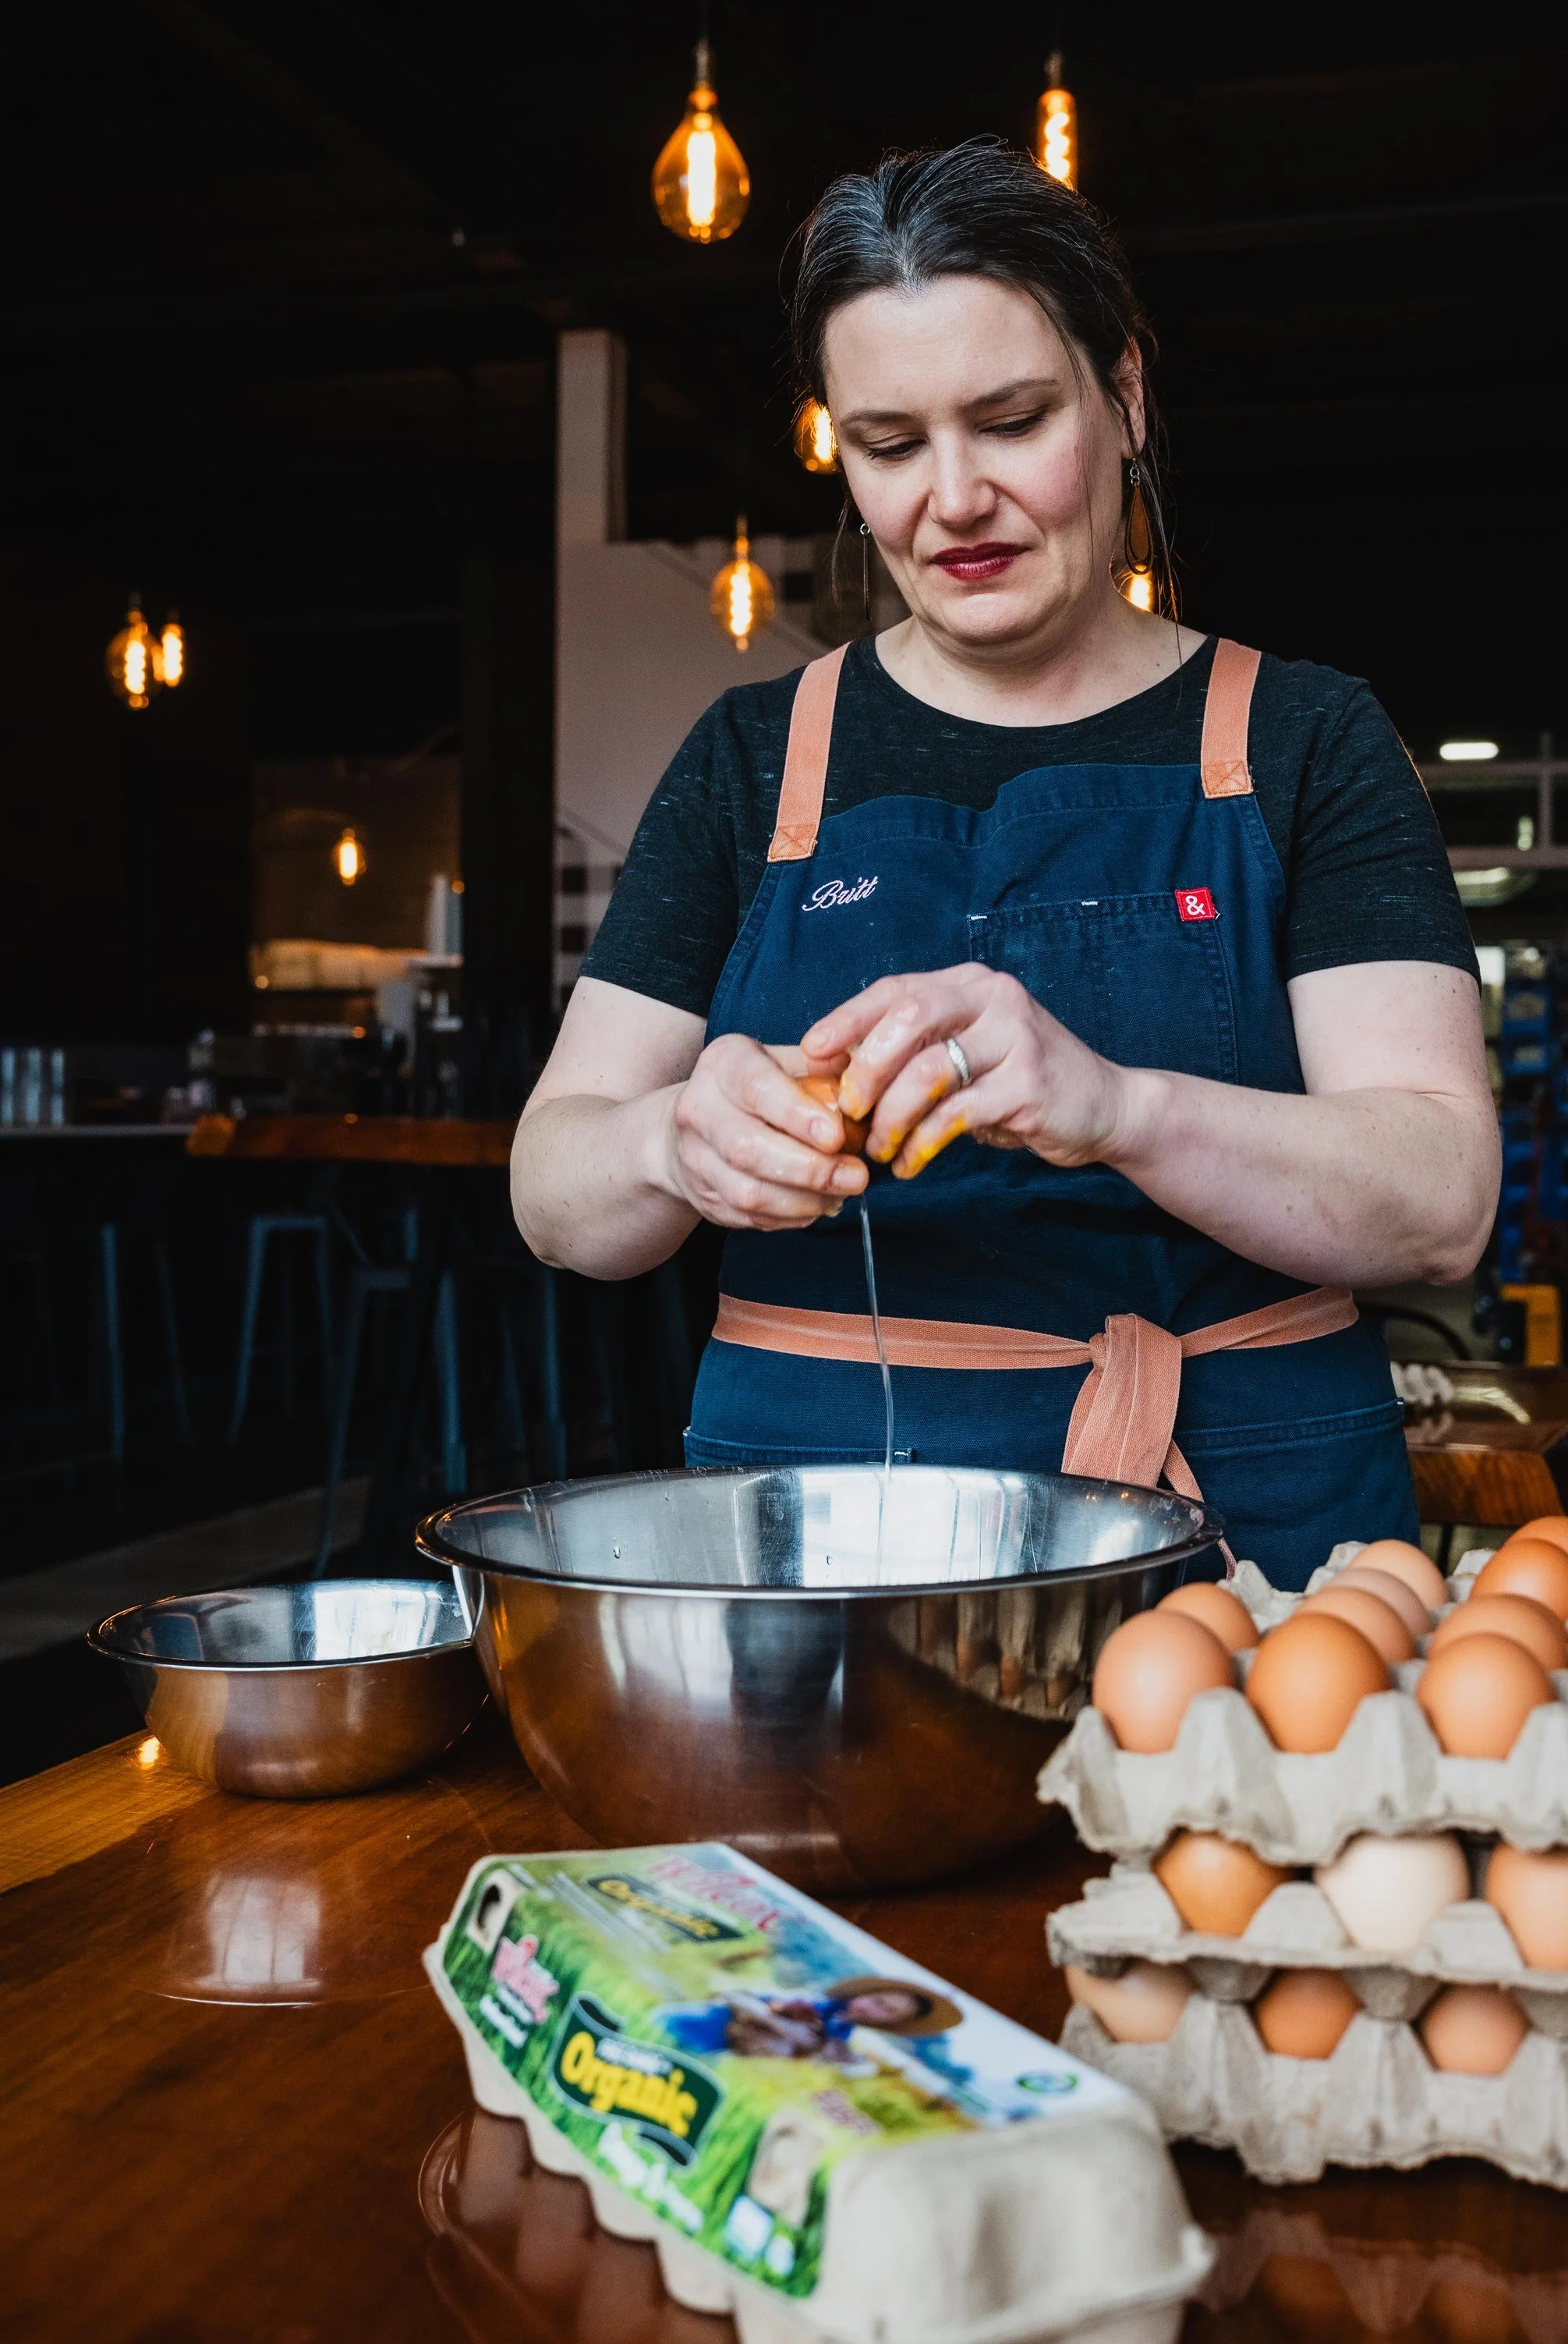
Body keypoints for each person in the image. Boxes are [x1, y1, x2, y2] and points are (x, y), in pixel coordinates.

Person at [512, 141, 1499, 1583]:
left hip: (1250, 1527)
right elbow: (553, 1185)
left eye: (1013, 419)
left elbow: (1442, 1197)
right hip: (814, 1536)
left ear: (1127, 395)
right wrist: (674, 1141)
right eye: (890, 445)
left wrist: (1115, 1103)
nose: (954, 498)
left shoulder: (1302, 739)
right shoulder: (754, 761)